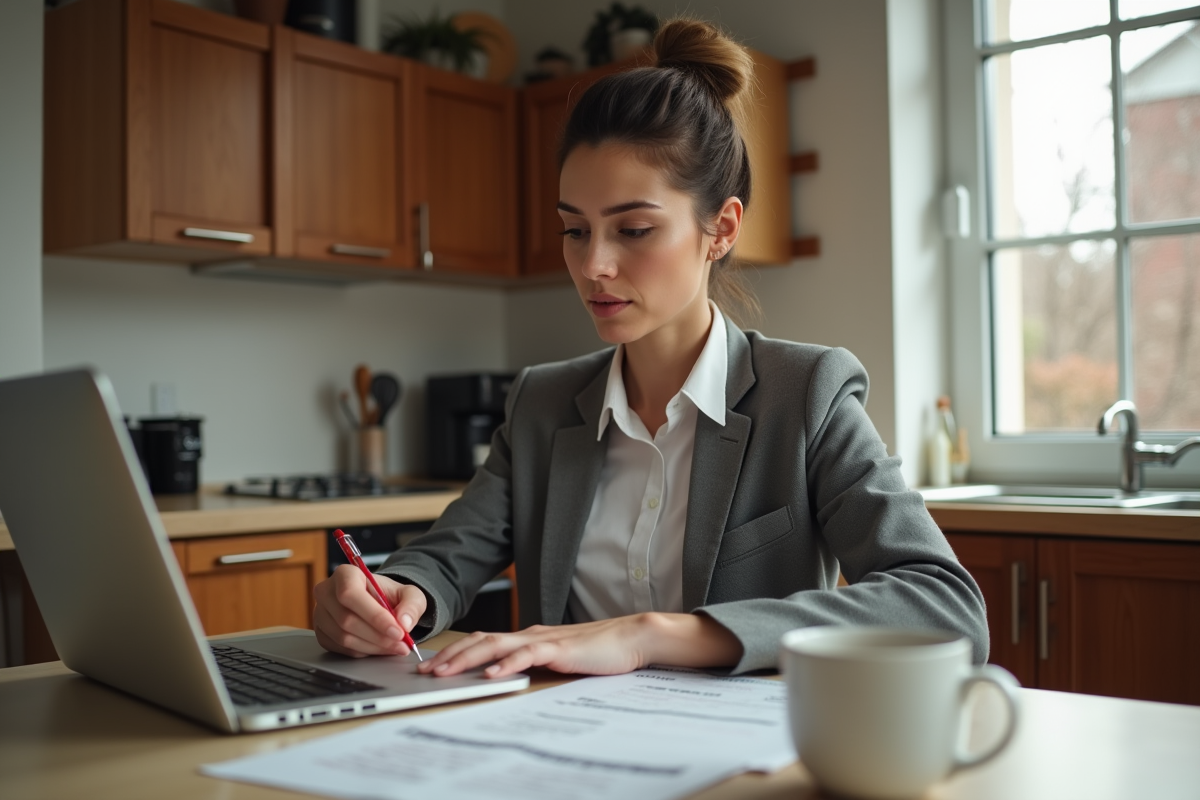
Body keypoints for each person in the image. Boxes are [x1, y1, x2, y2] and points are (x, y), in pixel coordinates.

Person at [313, 18, 988, 679]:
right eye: (575, 231)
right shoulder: (542, 404)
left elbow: (945, 607)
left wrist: (652, 635)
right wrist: (397, 595)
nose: (593, 265)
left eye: (633, 229)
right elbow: (447, 557)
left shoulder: (806, 395)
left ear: (721, 228)